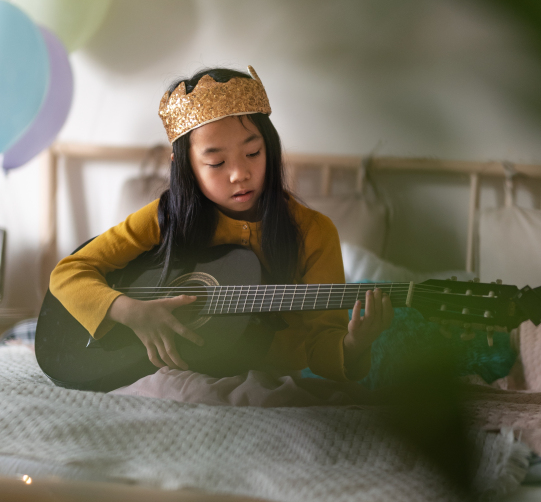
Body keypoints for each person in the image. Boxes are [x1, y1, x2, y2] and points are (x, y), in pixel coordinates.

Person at [49, 66, 392, 389]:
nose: (239, 174)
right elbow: (68, 272)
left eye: (253, 153)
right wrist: (130, 311)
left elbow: (322, 350)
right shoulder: (166, 216)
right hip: (166, 375)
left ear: (270, 151)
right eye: (216, 162)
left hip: (265, 383)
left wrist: (353, 344)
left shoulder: (314, 232)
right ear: (186, 168)